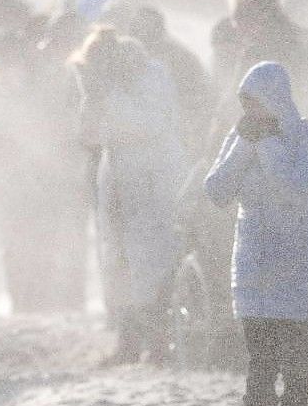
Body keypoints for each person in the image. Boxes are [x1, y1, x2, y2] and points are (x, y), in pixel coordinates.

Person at [204, 61, 308, 406]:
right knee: (259, 371)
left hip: (300, 269)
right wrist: (244, 146)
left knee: (296, 374)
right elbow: (216, 190)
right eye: (245, 103)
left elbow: (299, 188)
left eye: (256, 102)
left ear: (276, 98)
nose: (251, 111)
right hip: (254, 272)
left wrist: (266, 145)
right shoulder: (240, 137)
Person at [74, 28, 186, 364]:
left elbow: (146, 125)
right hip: (118, 177)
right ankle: (128, 341)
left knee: (151, 261)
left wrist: (108, 95)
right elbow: (87, 135)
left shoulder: (151, 77)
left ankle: (158, 341)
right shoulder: (105, 86)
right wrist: (91, 97)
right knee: (117, 262)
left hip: (153, 177)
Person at [129, 6, 216, 162]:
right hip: (135, 136)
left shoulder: (181, 57)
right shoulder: (125, 58)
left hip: (174, 135)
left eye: (149, 29)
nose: (143, 35)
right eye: (139, 29)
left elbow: (201, 95)